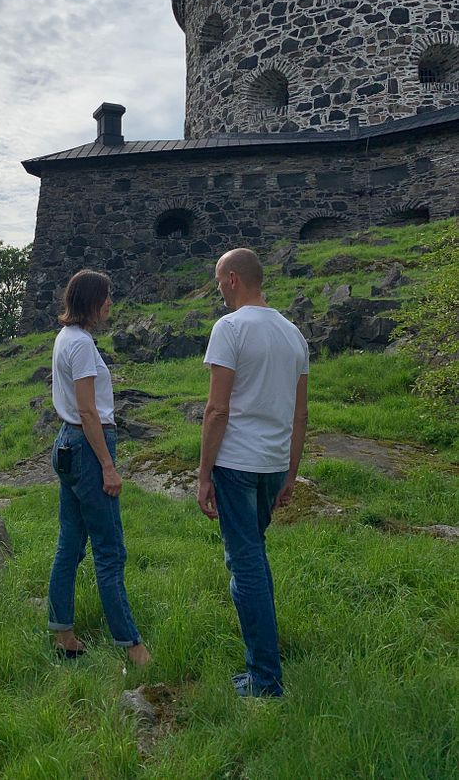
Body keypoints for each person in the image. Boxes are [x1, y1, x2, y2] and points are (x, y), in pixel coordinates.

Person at [197, 249, 309, 697]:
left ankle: (265, 680)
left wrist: (204, 473)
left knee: (247, 567)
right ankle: (260, 668)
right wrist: (290, 473)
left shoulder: (230, 328)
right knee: (251, 559)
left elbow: (217, 408)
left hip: (236, 465)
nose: (218, 288)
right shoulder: (293, 334)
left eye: (219, 280)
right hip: (272, 466)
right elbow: (300, 416)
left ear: (233, 279)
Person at [47, 269, 150, 665]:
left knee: (69, 544)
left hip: (66, 443)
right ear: (90, 300)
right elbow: (89, 410)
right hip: (89, 447)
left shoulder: (65, 338)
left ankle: (63, 634)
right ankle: (132, 647)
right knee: (110, 550)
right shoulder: (83, 347)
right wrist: (108, 466)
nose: (110, 303)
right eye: (106, 296)